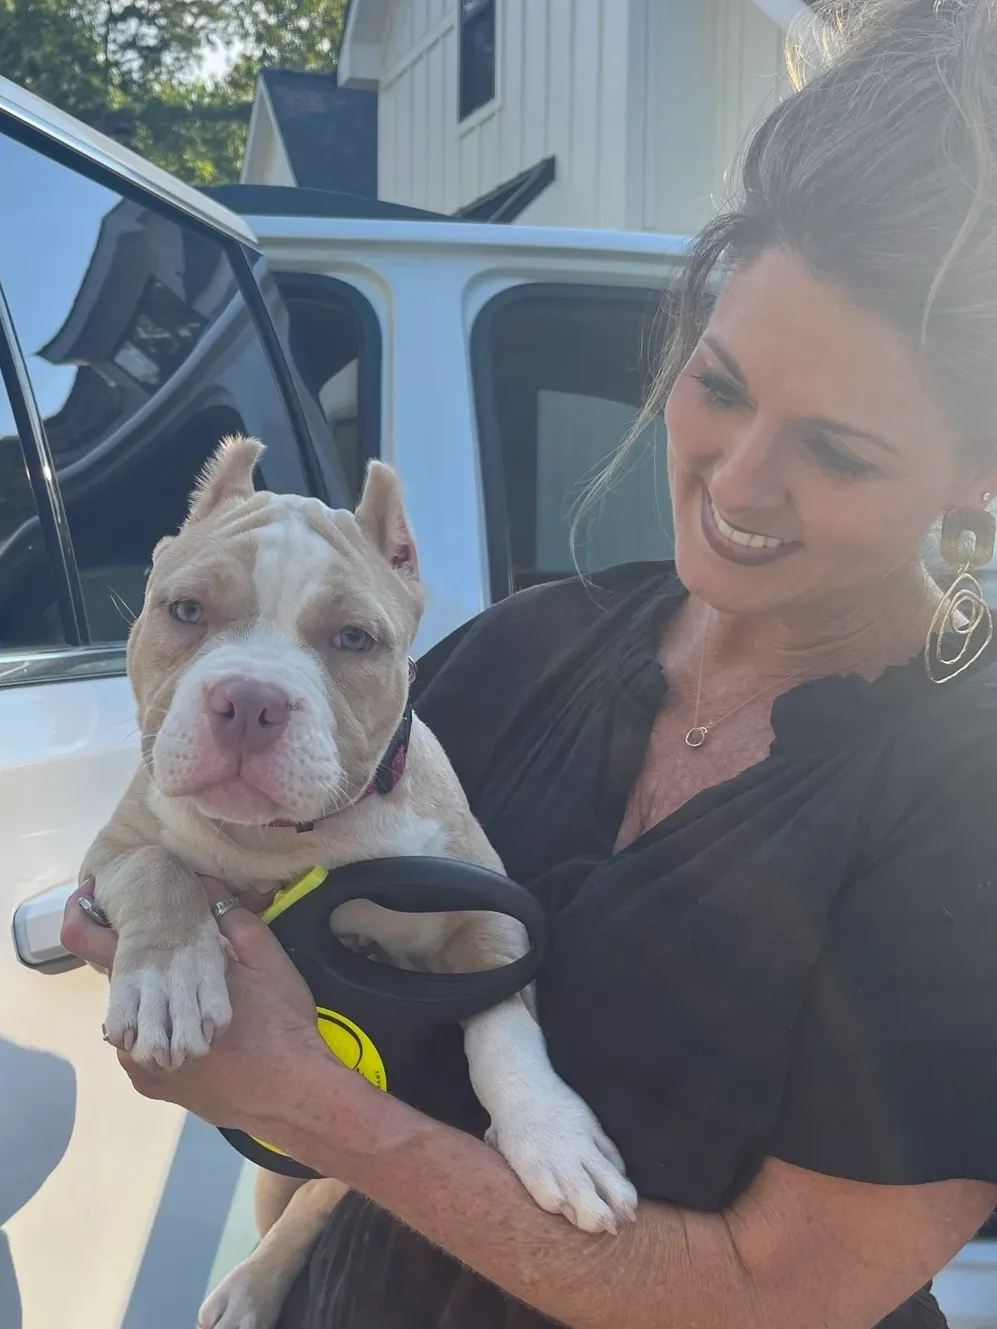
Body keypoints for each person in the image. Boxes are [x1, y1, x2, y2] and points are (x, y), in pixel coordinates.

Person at [62, 1, 997, 1325]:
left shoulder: (967, 804)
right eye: (719, 386)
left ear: (978, 469)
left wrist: (313, 1110)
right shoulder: (521, 653)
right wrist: (200, 988)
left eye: (836, 452)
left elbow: (773, 1299)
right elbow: (329, 1064)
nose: (737, 481)